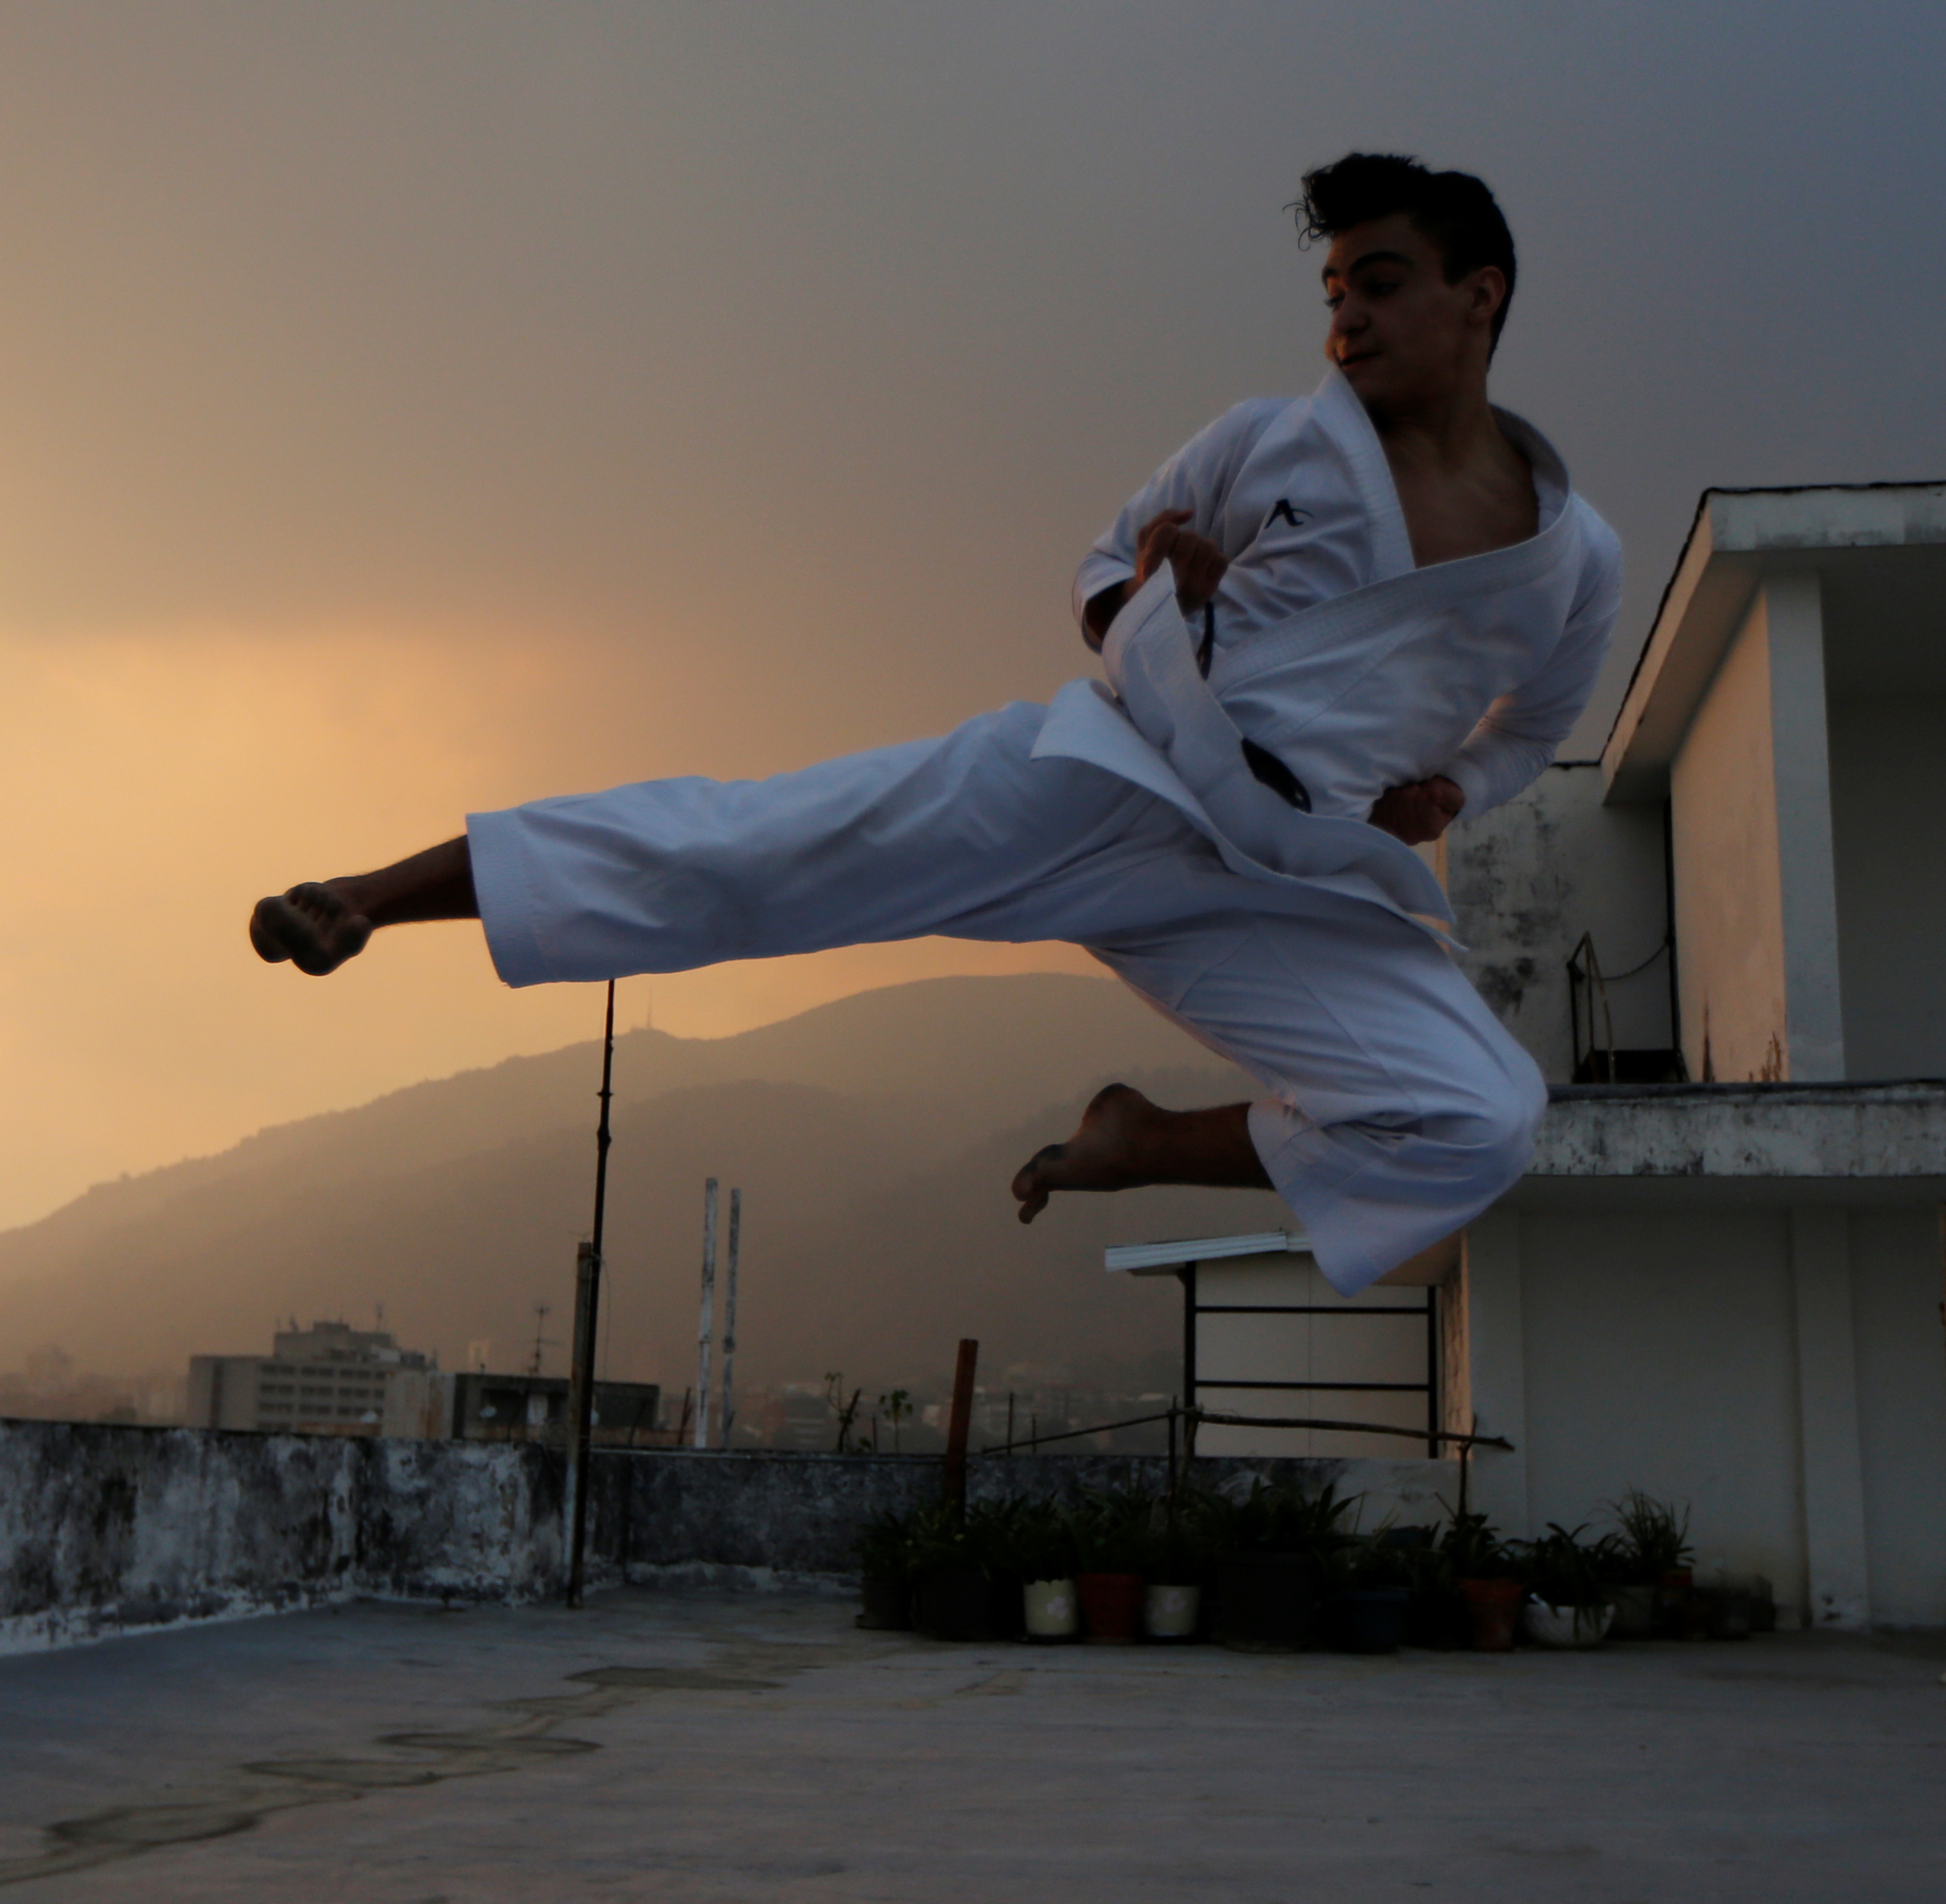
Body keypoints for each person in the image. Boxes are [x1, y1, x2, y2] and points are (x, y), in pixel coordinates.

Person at [248, 152, 1621, 1297]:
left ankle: (1138, 1141)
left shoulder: (1571, 560)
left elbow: (1522, 726)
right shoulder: (1272, 442)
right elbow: (1097, 575)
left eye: (1377, 287)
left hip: (1280, 868)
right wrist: (1152, 594)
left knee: (1481, 1114)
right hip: (1109, 775)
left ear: (1476, 295)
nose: (1344, 322)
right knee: (769, 848)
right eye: (1330, 293)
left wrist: (1448, 790)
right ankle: (376, 893)